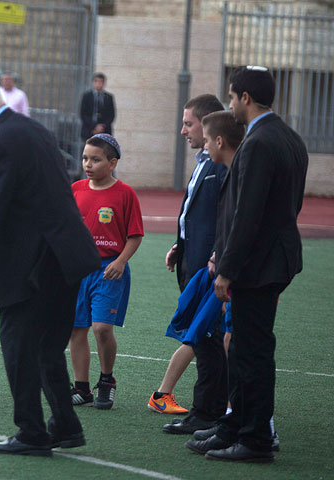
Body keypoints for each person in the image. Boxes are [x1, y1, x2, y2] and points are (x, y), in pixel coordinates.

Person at [0, 72, 100, 457]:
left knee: (18, 347)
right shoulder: (33, 129)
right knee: (47, 349)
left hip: (31, 265)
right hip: (66, 257)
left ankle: (31, 432)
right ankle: (65, 424)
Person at [185, 66, 308, 463]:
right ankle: (235, 425)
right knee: (242, 348)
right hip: (275, 259)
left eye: (233, 97)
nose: (231, 103)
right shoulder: (289, 138)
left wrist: (227, 268)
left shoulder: (258, 143)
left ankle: (254, 437)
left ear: (245, 98)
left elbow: (247, 214)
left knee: (250, 351)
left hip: (257, 266)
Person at [159, 95, 229, 433]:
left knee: (207, 340)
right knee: (203, 340)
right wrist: (181, 246)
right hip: (194, 263)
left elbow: (227, 217)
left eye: (188, 123)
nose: (182, 130)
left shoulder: (220, 163)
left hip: (209, 269)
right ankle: (208, 412)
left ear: (206, 125)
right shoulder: (203, 161)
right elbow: (196, 215)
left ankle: (207, 413)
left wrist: (215, 254)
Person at [68, 134, 143, 410]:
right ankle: (81, 388)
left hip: (109, 270)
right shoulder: (75, 189)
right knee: (77, 330)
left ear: (112, 163)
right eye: (85, 158)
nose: (88, 164)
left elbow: (135, 235)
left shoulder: (125, 194)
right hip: (78, 270)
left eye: (95, 159)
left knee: (101, 328)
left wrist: (121, 261)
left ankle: (107, 380)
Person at [79, 73, 115, 142]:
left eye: (101, 81)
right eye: (96, 81)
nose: (98, 84)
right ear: (93, 82)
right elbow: (83, 114)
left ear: (104, 83)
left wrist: (102, 126)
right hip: (89, 130)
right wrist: (94, 126)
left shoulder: (109, 97)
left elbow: (111, 115)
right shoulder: (86, 96)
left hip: (104, 131)